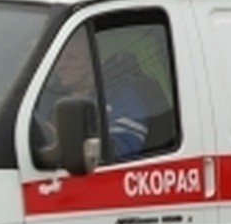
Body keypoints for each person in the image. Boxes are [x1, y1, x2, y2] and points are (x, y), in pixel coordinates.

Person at [31, 32, 149, 166]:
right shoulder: (44, 94)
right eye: (60, 57)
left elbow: (122, 149)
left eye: (71, 58)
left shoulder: (120, 96)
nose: (60, 65)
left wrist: (72, 141)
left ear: (92, 62)